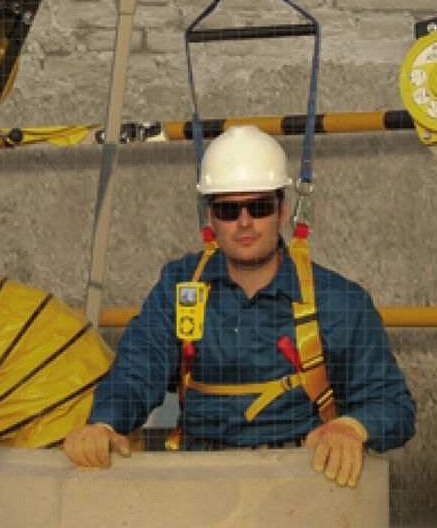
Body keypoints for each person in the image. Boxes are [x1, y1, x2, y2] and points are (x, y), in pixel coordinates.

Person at [64, 125, 415, 488]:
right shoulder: (180, 287)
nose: (244, 222)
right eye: (229, 210)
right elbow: (137, 371)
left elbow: (392, 405)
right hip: (200, 485)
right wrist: (104, 424)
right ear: (211, 218)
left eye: (259, 207)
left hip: (301, 484)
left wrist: (352, 428)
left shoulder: (338, 301)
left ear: (282, 212)